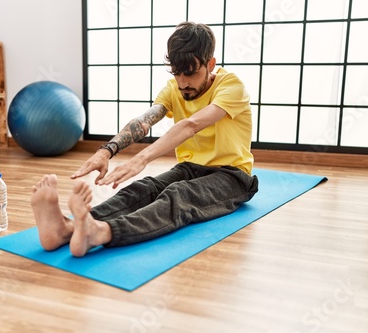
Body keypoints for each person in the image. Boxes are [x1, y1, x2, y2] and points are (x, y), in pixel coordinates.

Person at [31, 22, 259, 257]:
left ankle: (101, 231)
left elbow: (191, 125)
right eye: (177, 73)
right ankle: (66, 229)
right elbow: (144, 122)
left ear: (210, 64)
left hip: (232, 176)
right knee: (144, 188)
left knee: (179, 195)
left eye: (190, 73)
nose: (182, 83)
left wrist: (141, 159)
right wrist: (106, 151)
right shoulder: (174, 88)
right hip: (191, 168)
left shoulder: (231, 86)